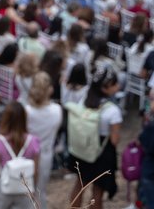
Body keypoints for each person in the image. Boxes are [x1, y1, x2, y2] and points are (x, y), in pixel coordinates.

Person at [68, 67, 122, 209]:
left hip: (82, 149)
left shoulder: (85, 99)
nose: (118, 86)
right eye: (114, 84)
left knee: (79, 186)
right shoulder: (113, 111)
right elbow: (115, 140)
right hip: (102, 153)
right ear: (105, 88)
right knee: (97, 192)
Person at [0, 102, 40, 209]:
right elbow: (35, 171)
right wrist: (34, 190)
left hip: (3, 188)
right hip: (24, 189)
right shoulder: (33, 142)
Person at [24, 72, 62, 209]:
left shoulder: (26, 111)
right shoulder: (56, 110)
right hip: (45, 154)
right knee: (41, 191)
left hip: (27, 155)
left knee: (26, 191)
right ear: (50, 89)